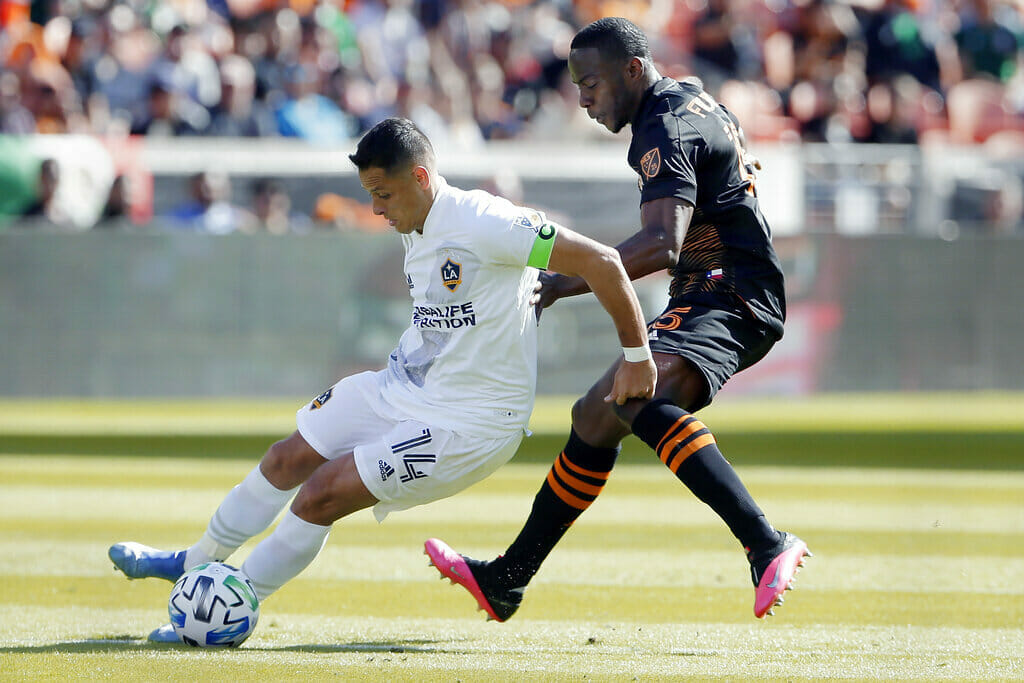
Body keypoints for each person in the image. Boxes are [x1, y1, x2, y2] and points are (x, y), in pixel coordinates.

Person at [107, 117, 657, 642]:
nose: (375, 208)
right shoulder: (414, 218)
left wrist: (636, 355)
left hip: (469, 425)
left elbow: (603, 261)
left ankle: (228, 605)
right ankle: (195, 562)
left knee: (320, 494)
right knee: (285, 459)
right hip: (400, 391)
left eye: (383, 194)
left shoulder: (487, 220)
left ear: (420, 177)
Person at [425, 17, 810, 622]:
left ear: (633, 70)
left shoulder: (663, 124)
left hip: (727, 287)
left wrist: (565, 281)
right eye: (578, 84)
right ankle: (507, 580)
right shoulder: (687, 97)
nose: (582, 98)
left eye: (593, 83)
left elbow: (662, 244)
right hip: (721, 285)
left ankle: (766, 542)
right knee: (596, 413)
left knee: (633, 395)